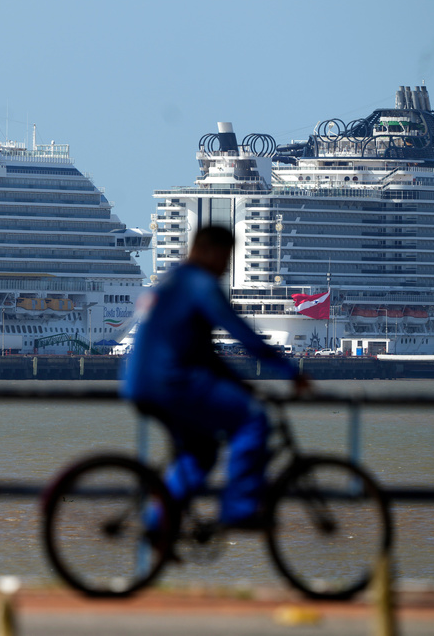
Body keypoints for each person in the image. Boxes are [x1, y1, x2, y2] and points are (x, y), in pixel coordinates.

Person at [122, 225, 310, 529]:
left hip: (138, 383)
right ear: (209, 251)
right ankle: (239, 509)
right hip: (170, 383)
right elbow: (242, 334)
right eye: (225, 257)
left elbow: (205, 353)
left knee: (201, 453)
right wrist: (289, 371)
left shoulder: (171, 281)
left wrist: (239, 384)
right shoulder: (199, 284)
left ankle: (157, 525)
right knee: (253, 419)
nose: (225, 267)